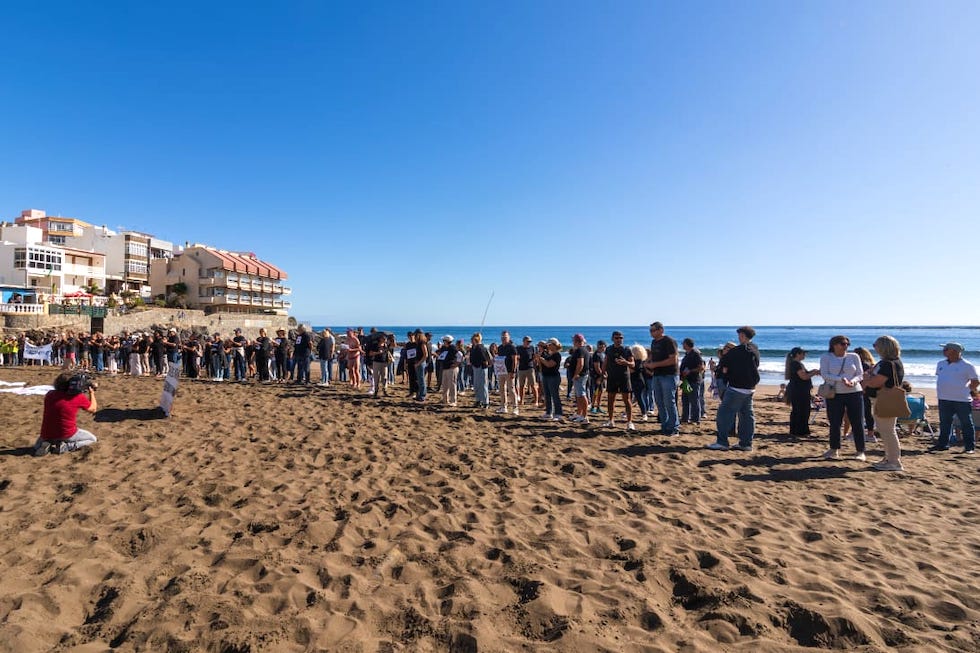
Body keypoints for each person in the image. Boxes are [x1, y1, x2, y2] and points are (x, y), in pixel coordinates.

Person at [707, 326, 760, 452]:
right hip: (750, 386)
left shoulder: (738, 351)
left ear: (742, 335)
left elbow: (724, 365)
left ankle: (722, 442)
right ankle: (746, 443)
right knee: (747, 415)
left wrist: (726, 372)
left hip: (737, 386)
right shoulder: (755, 349)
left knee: (724, 414)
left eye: (739, 335)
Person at [818, 335, 867, 461]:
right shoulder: (826, 357)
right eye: (842, 344)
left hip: (854, 392)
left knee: (857, 422)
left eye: (847, 344)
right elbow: (824, 374)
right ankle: (834, 449)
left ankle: (860, 451)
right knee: (835, 422)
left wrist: (854, 381)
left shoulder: (853, 356)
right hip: (835, 393)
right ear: (834, 345)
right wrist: (841, 379)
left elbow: (860, 374)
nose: (845, 346)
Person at [863, 336, 906, 471]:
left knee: (887, 431)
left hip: (884, 399)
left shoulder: (888, 364)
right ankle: (889, 458)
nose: (874, 347)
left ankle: (894, 461)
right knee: (885, 430)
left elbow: (877, 382)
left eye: (876, 345)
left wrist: (867, 378)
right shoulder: (889, 362)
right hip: (881, 398)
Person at [33, 372, 99, 456]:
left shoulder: (50, 394)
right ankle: (66, 447)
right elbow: (93, 409)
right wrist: (91, 393)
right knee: (92, 439)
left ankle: (45, 444)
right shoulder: (77, 397)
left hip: (46, 433)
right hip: (66, 433)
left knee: (40, 444)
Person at [931, 342, 978, 454]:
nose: (944, 351)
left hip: (962, 399)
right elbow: (941, 377)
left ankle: (969, 447)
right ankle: (943, 444)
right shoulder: (941, 363)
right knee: (945, 422)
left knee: (966, 423)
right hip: (944, 398)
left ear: (954, 351)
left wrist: (968, 390)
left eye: (946, 349)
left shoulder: (967, 365)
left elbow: (975, 381)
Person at [644, 322, 680, 435]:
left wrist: (655, 365)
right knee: (659, 402)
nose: (651, 333)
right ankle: (665, 426)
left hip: (668, 375)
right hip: (657, 375)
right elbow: (654, 356)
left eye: (653, 330)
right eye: (650, 331)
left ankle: (674, 427)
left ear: (661, 330)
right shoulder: (654, 342)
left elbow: (673, 359)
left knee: (669, 401)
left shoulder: (668, 341)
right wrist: (648, 362)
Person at [602, 331, 635, 430]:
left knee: (627, 400)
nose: (619, 340)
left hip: (624, 377)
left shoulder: (627, 349)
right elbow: (606, 361)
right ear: (612, 339)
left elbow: (633, 364)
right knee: (610, 400)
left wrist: (626, 362)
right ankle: (611, 420)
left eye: (621, 338)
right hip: (612, 377)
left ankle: (630, 422)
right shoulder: (609, 349)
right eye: (616, 338)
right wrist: (602, 373)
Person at [785, 347, 819, 436]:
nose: (804, 355)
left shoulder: (797, 364)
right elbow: (804, 377)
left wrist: (813, 371)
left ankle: (797, 430)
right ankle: (800, 431)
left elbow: (804, 374)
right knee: (802, 410)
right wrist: (814, 373)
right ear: (798, 354)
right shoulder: (796, 364)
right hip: (799, 391)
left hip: (799, 390)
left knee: (800, 410)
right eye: (803, 353)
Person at [536, 338, 563, 421]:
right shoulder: (549, 354)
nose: (548, 346)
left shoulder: (557, 355)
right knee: (547, 395)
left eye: (550, 344)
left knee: (555, 395)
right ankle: (549, 412)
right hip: (546, 375)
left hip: (553, 377)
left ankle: (558, 413)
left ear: (554, 345)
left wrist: (540, 359)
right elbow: (542, 366)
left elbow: (549, 364)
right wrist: (539, 359)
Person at [679, 338, 705, 424]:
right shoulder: (687, 354)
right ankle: (685, 418)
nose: (682, 345)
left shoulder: (695, 354)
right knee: (685, 400)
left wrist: (690, 371)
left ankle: (695, 419)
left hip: (694, 380)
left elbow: (701, 368)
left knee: (694, 400)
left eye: (683, 343)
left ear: (687, 344)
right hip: (686, 380)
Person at [568, 333, 592, 423]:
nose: (573, 342)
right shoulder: (583, 350)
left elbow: (581, 364)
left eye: (573, 340)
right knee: (578, 395)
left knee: (582, 394)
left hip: (580, 375)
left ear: (577, 341)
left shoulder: (580, 350)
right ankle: (579, 413)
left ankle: (584, 416)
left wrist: (576, 374)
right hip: (581, 375)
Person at [495, 331, 519, 415]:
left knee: (511, 389)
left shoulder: (512, 347)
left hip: (509, 371)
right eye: (502, 337)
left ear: (508, 337)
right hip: (501, 371)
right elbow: (499, 358)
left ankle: (515, 407)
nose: (503, 338)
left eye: (505, 337)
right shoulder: (500, 347)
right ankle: (503, 406)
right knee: (502, 389)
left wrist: (513, 371)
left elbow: (514, 359)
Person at [469, 333, 492, 408]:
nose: (471, 341)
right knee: (476, 385)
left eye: (473, 339)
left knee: (483, 385)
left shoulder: (481, 348)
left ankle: (486, 402)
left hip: (482, 367)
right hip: (475, 367)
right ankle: (478, 400)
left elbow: (487, 359)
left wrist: (487, 364)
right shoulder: (473, 347)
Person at [516, 336, 540, 409]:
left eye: (530, 341)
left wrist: (535, 361)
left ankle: (536, 401)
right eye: (528, 341)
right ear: (524, 341)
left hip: (530, 368)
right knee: (521, 386)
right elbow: (516, 356)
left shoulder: (532, 348)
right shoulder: (519, 348)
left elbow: (534, 357)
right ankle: (521, 401)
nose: (529, 343)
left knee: (533, 385)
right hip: (521, 368)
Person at [437, 335, 462, 405]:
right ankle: (445, 399)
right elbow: (440, 354)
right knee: (445, 385)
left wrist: (456, 364)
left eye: (444, 341)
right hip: (445, 368)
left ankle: (453, 401)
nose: (443, 342)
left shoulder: (452, 348)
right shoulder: (444, 348)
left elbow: (460, 355)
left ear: (447, 341)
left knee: (452, 385)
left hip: (451, 368)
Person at [590, 340, 607, 415]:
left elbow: (604, 366)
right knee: (596, 392)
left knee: (600, 392)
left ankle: (598, 407)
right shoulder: (596, 355)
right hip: (597, 376)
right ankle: (593, 407)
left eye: (603, 346)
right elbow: (597, 367)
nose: (602, 348)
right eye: (600, 346)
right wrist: (602, 376)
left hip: (601, 376)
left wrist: (605, 373)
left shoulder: (602, 354)